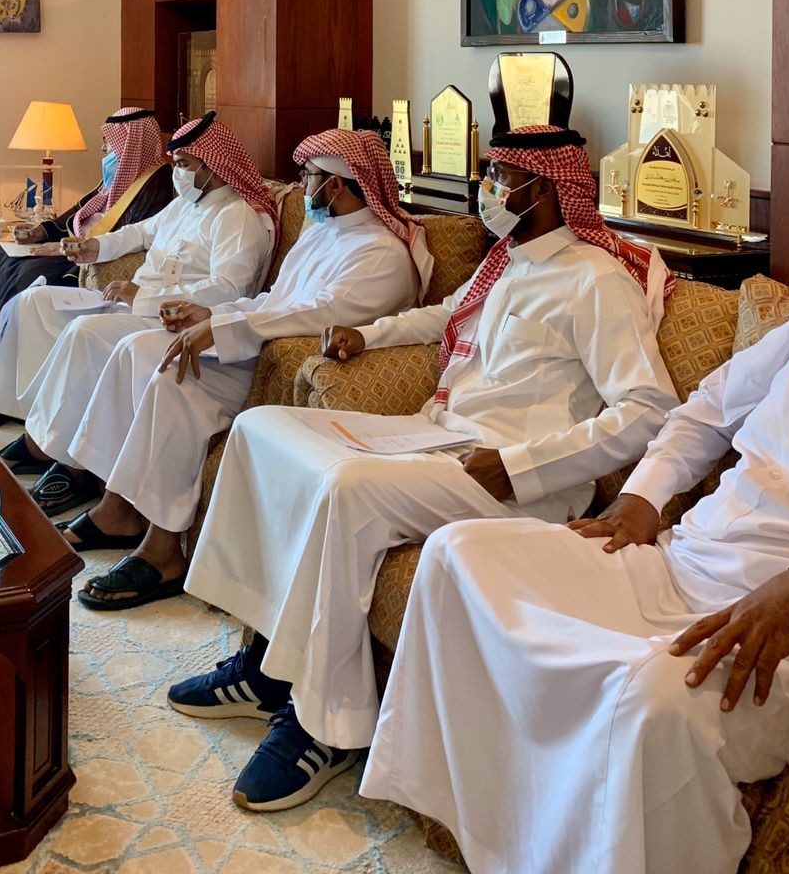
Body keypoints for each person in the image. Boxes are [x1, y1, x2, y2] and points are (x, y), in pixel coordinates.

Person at [171, 124, 679, 812]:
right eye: (488, 173)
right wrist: (368, 334)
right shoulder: (509, 261)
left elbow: (649, 408)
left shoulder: (596, 279)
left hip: (517, 479)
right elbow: (445, 315)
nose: (488, 190)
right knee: (261, 429)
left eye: (502, 178)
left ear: (548, 189)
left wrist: (523, 465)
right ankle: (263, 666)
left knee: (346, 488)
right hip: (440, 437)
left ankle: (325, 724)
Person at [361, 193, 789, 874]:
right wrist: (643, 496)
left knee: (649, 700)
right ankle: (478, 828)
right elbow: (704, 412)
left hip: (776, 629)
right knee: (455, 554)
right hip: (679, 559)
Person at [24, 128, 431, 611]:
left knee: (173, 375)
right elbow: (275, 299)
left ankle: (162, 551)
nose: (302, 186)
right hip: (253, 338)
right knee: (140, 349)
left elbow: (316, 315)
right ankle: (117, 505)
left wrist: (222, 326)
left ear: (337, 185)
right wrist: (214, 315)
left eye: (308, 176)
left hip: (278, 360)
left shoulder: (381, 254)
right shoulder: (324, 232)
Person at [0, 112, 278, 472]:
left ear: (212, 166)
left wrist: (143, 296)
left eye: (184, 164)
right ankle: (35, 422)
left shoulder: (237, 217)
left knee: (84, 332)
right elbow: (139, 232)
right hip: (132, 305)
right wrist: (95, 247)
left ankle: (54, 453)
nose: (177, 173)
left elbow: (228, 290)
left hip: (168, 319)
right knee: (34, 303)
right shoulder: (186, 205)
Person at [0, 107, 170, 414]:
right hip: (68, 248)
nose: (104, 150)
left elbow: (130, 238)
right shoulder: (115, 180)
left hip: (87, 260)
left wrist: (62, 248)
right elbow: (78, 213)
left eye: (110, 143)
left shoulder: (157, 184)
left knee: (21, 277)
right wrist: (41, 232)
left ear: (132, 143)